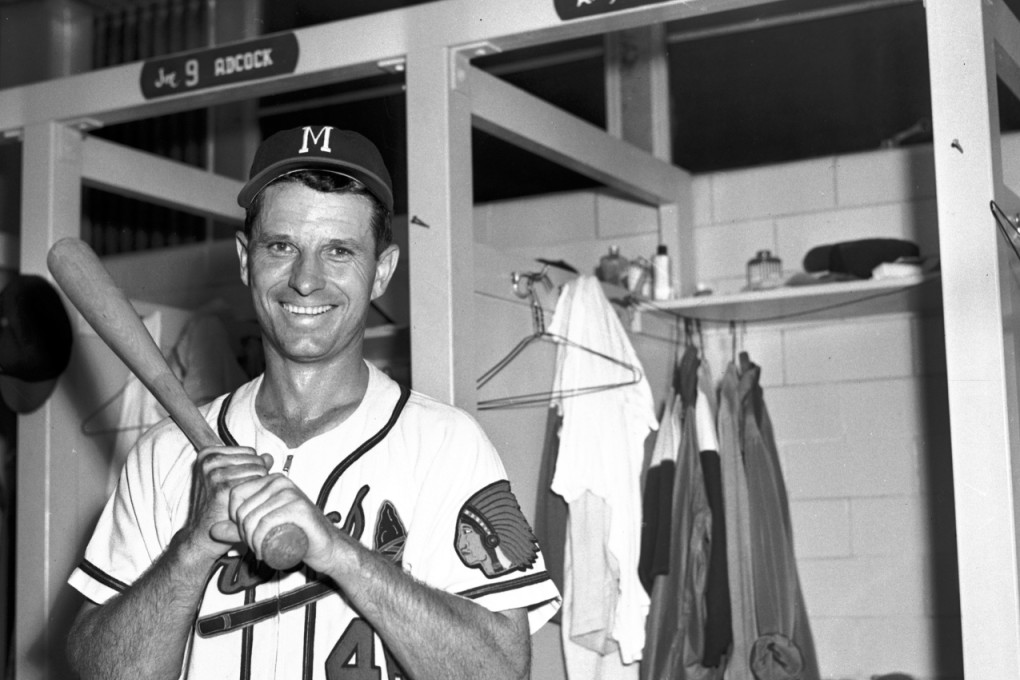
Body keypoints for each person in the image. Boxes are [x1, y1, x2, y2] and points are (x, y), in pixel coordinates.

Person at [65, 125, 561, 680]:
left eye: (339, 251)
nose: (306, 280)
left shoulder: (446, 445)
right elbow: (100, 672)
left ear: (382, 271)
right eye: (282, 246)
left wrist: (338, 553)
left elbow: (501, 670)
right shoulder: (165, 455)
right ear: (245, 259)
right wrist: (190, 549)